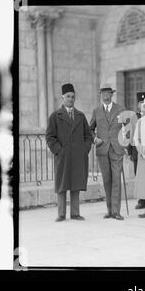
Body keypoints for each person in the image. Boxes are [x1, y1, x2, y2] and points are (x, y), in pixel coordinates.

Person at [46, 83, 93, 222]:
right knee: (62, 184)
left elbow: (88, 135)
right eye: (68, 96)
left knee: (76, 184)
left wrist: (85, 149)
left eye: (73, 97)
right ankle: (61, 214)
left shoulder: (80, 115)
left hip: (78, 156)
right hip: (63, 156)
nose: (71, 99)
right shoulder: (55, 116)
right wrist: (58, 151)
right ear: (62, 98)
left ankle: (75, 213)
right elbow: (50, 137)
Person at [89, 87, 126, 220]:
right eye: (103, 94)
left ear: (111, 95)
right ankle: (109, 210)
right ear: (101, 96)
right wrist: (94, 139)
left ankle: (116, 211)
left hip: (117, 149)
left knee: (116, 179)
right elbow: (90, 129)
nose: (106, 96)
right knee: (107, 180)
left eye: (108, 94)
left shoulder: (120, 109)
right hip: (102, 149)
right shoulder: (96, 111)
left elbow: (127, 127)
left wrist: (125, 141)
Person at [127, 91, 145, 210]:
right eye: (141, 102)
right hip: (137, 152)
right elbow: (129, 134)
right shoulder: (133, 117)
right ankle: (142, 200)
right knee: (139, 176)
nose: (143, 104)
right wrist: (130, 151)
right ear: (138, 105)